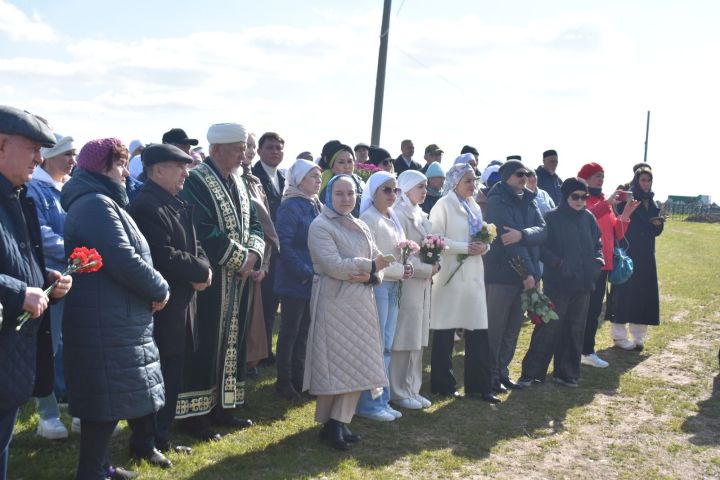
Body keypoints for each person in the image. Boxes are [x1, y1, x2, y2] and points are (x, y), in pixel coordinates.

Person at [60, 137, 169, 479]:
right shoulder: (95, 204)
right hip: (103, 318)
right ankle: (91, 472)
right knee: (103, 402)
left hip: (113, 314)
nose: (125, 172)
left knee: (108, 399)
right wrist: (160, 287)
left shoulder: (103, 201)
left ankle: (98, 467)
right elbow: (123, 259)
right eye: (120, 164)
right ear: (102, 168)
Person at [175, 123, 265, 440]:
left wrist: (253, 253)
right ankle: (195, 416)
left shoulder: (239, 181)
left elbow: (254, 222)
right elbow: (202, 228)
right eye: (238, 149)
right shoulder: (197, 181)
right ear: (217, 150)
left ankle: (224, 408)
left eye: (244, 148)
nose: (244, 154)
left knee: (232, 344)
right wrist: (241, 259)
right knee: (206, 344)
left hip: (237, 281)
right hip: (210, 282)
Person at [128, 144, 212, 465]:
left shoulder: (174, 202)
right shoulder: (146, 206)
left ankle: (162, 436)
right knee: (158, 374)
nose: (185, 173)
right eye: (179, 167)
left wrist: (203, 268)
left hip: (181, 305)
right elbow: (162, 255)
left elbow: (196, 244)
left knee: (172, 371)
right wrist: (199, 270)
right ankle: (146, 440)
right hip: (163, 307)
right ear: (158, 170)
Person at [0, 106, 72, 480]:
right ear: (1, 146)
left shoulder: (16, 195)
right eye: (32, 149)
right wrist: (17, 292)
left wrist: (47, 281)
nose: (39, 159)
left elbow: (16, 261)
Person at [304, 174, 389, 450]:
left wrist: (370, 275)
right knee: (338, 365)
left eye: (351, 194)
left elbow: (380, 264)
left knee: (358, 363)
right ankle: (332, 423)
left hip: (362, 302)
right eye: (339, 194)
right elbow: (334, 266)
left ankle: (339, 422)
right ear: (329, 195)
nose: (346, 199)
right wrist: (370, 266)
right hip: (334, 301)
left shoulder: (362, 224)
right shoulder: (320, 225)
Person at [517, 178, 604, 388]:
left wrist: (597, 263)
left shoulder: (589, 218)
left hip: (583, 285)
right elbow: (542, 248)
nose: (580, 201)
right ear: (566, 196)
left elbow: (597, 244)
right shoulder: (552, 217)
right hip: (558, 284)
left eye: (584, 197)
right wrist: (558, 263)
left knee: (575, 330)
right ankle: (531, 373)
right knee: (548, 328)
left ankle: (567, 373)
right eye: (575, 196)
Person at [428, 164, 499, 403]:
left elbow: (483, 236)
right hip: (451, 275)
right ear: (456, 181)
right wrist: (463, 248)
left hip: (473, 275)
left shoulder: (474, 205)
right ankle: (442, 384)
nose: (473, 184)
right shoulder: (443, 205)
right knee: (445, 331)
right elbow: (434, 239)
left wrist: (484, 246)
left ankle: (480, 386)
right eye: (468, 180)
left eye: (474, 180)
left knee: (478, 329)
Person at [26, 133, 75, 439]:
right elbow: (40, 235)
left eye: (74, 153)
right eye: (67, 154)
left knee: (72, 345)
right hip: (46, 280)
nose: (73, 160)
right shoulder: (35, 189)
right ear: (48, 156)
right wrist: (76, 247)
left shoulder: (63, 189)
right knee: (48, 345)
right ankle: (48, 413)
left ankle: (76, 405)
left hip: (70, 277)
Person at [484, 159, 546, 394]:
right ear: (507, 175)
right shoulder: (497, 200)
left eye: (527, 174)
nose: (524, 178)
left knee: (513, 328)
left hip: (524, 275)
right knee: (495, 329)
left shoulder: (529, 199)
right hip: (503, 274)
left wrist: (524, 234)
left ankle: (502, 372)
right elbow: (509, 242)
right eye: (519, 174)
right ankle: (489, 377)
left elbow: (543, 230)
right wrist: (527, 274)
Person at [356, 172, 411, 421]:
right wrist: (401, 270)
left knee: (386, 344)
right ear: (374, 192)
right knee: (376, 345)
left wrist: (405, 266)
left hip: (393, 286)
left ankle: (382, 399)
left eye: (395, 190)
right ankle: (369, 403)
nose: (392, 195)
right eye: (386, 190)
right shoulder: (368, 218)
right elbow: (374, 260)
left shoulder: (392, 217)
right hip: (378, 286)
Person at [577, 163, 640, 365]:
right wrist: (609, 202)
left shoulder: (605, 201)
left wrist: (627, 212)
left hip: (604, 263)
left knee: (594, 310)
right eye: (597, 176)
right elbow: (586, 218)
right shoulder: (581, 199)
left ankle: (586, 351)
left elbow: (617, 233)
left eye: (603, 176)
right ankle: (581, 351)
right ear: (585, 178)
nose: (601, 179)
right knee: (582, 310)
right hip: (587, 263)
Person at [274, 160, 322, 400]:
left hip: (313, 277)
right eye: (312, 175)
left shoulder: (314, 204)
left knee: (304, 330)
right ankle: (283, 382)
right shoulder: (291, 206)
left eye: (318, 175)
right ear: (299, 179)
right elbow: (285, 244)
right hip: (296, 279)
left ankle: (299, 378)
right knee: (290, 331)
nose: (317, 179)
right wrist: (305, 272)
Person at [391, 170, 437, 409]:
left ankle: (412, 388)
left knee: (417, 338)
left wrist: (434, 263)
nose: (425, 190)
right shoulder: (399, 214)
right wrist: (427, 268)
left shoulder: (420, 213)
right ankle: (398, 390)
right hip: (409, 283)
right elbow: (403, 255)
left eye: (426, 186)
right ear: (407, 188)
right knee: (404, 337)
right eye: (420, 186)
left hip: (422, 285)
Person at [610, 166, 664, 350]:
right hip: (629, 251)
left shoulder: (652, 201)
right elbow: (619, 222)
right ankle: (619, 336)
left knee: (643, 293)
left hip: (647, 254)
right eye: (643, 180)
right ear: (636, 180)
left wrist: (657, 225)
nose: (646, 184)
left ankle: (639, 336)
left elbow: (655, 230)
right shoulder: (628, 198)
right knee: (624, 292)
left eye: (648, 180)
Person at [242, 132, 277, 374]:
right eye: (247, 146)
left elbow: (264, 225)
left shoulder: (253, 181)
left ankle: (249, 364)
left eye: (253, 146)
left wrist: (264, 264)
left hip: (258, 259)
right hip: (239, 260)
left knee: (255, 318)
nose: (251, 151)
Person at [252, 132, 286, 365]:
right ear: (259, 151)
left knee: (272, 301)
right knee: (261, 302)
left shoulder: (283, 178)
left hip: (279, 248)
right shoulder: (254, 176)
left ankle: (265, 350)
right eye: (270, 147)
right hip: (262, 248)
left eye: (279, 148)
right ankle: (259, 351)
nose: (275, 151)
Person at [318, 141, 363, 217]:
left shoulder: (359, 183)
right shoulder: (327, 189)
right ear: (332, 167)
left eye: (349, 161)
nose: (347, 166)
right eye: (341, 162)